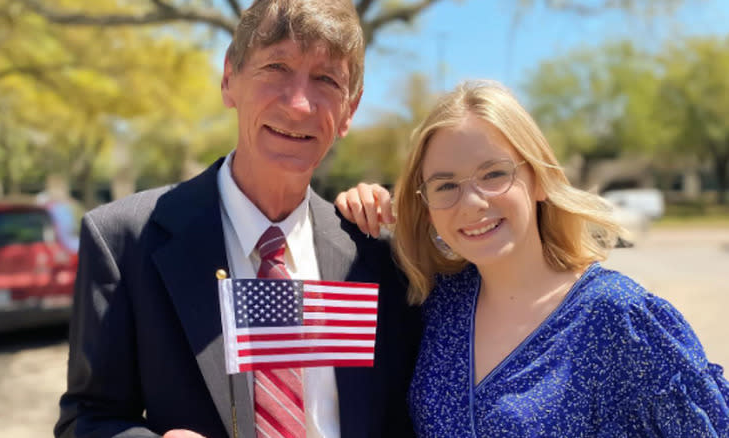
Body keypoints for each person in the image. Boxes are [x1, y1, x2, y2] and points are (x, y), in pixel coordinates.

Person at [54, 1, 421, 437]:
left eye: (326, 80)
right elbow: (88, 418)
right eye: (276, 67)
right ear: (230, 80)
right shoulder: (124, 241)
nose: (300, 104)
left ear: (349, 111)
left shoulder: (375, 254)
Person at [335, 80, 729, 436]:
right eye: (446, 185)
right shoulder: (440, 305)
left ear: (538, 178)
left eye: (493, 175)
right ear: (427, 205)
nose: (471, 204)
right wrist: (365, 210)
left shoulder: (618, 317)